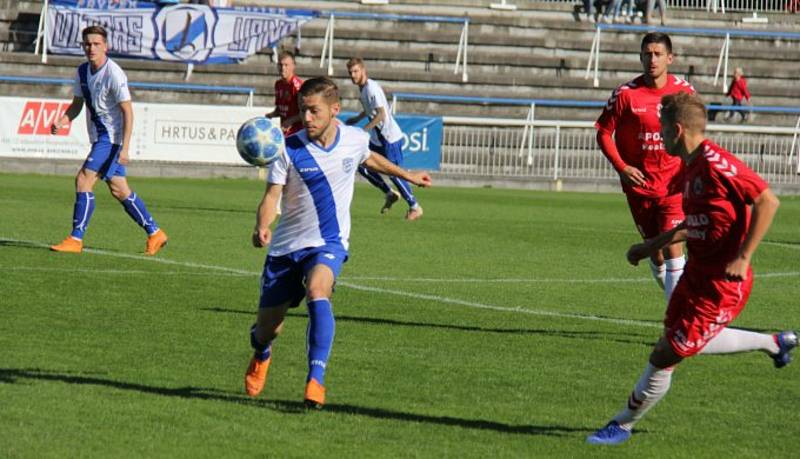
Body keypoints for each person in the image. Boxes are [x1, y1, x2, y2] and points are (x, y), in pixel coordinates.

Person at [587, 92, 797, 445]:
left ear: (678, 130)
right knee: (679, 343)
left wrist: (744, 256)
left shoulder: (717, 164)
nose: (659, 136)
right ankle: (774, 343)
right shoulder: (691, 166)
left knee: (665, 353)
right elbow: (696, 223)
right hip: (695, 276)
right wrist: (651, 245)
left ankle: (622, 424)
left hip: (721, 285)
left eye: (663, 129)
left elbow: (767, 200)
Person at [243, 77, 432, 409]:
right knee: (268, 329)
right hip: (286, 247)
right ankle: (262, 351)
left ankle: (315, 381)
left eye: (314, 111)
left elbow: (371, 158)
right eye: (303, 111)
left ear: (335, 110)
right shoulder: (288, 149)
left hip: (328, 243)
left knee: (319, 290)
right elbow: (271, 197)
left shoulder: (354, 139)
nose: (308, 118)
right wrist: (262, 226)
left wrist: (408, 175)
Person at [50, 25, 167, 255]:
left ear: (106, 46)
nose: (91, 48)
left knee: (83, 180)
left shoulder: (114, 73)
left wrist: (125, 148)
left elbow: (127, 112)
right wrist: (63, 120)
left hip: (111, 139)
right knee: (120, 189)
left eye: (96, 44)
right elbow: (77, 105)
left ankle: (76, 238)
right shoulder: (83, 71)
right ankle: (155, 233)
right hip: (100, 138)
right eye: (87, 44)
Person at [596, 33, 694, 303]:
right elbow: (603, 133)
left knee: (674, 248)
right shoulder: (626, 95)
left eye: (658, 54)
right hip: (639, 188)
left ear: (670, 58)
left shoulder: (684, 93)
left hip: (674, 185)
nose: (652, 59)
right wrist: (622, 167)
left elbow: (695, 134)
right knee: (657, 253)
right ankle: (678, 304)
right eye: (647, 54)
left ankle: (676, 327)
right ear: (640, 57)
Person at [345, 57, 424, 220]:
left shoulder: (371, 88)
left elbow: (381, 114)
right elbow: (370, 110)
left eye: (355, 71)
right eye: (350, 72)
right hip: (378, 138)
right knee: (362, 164)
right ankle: (389, 194)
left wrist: (364, 130)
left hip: (389, 137)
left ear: (363, 70)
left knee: (394, 173)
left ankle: (415, 206)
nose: (353, 75)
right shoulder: (363, 88)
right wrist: (357, 119)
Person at [265, 51, 303, 136]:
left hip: (297, 133)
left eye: (286, 65)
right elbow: (281, 109)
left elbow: (305, 112)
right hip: (285, 133)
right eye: (280, 65)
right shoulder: (278, 84)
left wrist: (290, 121)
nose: (283, 68)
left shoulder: (297, 86)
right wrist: (271, 115)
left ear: (293, 66)